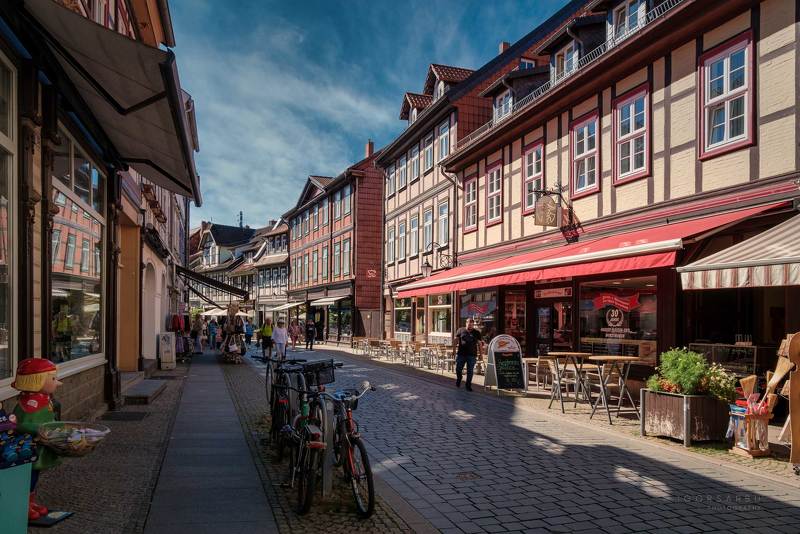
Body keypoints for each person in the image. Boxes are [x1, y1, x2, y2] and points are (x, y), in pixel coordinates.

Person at [11, 358, 63, 520]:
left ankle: (29, 502)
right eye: (53, 379)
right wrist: (42, 429)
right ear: (37, 381)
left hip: (39, 445)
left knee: (35, 475)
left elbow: (49, 419)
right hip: (29, 447)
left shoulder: (44, 400)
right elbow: (22, 425)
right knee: (28, 475)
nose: (58, 383)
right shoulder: (29, 404)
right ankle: (23, 505)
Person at [453, 318, 483, 391]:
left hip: (472, 355)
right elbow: (455, 341)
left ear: (473, 325)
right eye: (468, 324)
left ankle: (468, 385)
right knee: (458, 369)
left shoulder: (477, 332)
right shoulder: (460, 330)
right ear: (466, 323)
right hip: (461, 354)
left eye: (471, 324)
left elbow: (479, 344)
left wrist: (481, 354)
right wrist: (454, 351)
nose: (470, 326)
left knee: (470, 371)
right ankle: (459, 378)